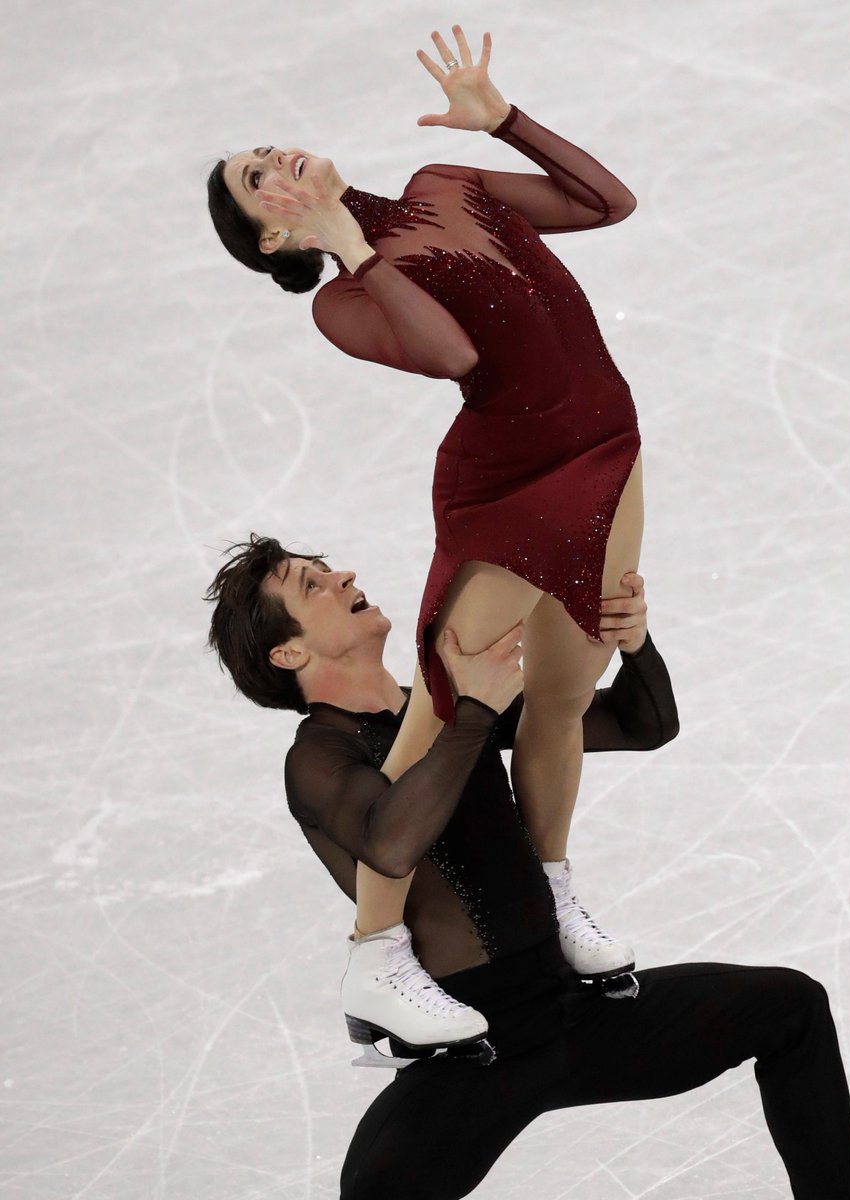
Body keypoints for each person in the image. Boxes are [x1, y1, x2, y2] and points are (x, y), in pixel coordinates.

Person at [206, 24, 646, 1047]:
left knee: (566, 691)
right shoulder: (344, 301)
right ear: (275, 239)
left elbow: (606, 204)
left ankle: (554, 889)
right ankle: (376, 955)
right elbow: (453, 351)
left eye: (270, 149)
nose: (279, 159)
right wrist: (349, 239)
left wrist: (507, 123)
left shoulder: (449, 182)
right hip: (507, 483)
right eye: (258, 179)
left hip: (610, 444)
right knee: (452, 693)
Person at [204, 536, 850, 1200]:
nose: (342, 576)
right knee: (378, 1189)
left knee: (792, 1008)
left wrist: (633, 642)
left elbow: (644, 723)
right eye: (311, 585)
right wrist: (472, 713)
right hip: (476, 1049)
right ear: (287, 651)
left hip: (577, 1011)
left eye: (329, 570)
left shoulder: (456, 703)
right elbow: (390, 842)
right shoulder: (317, 757)